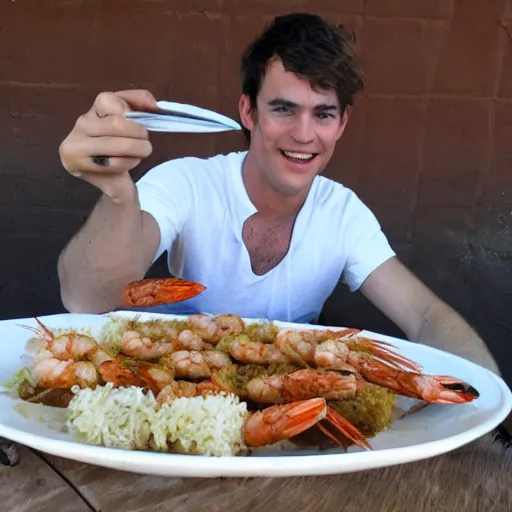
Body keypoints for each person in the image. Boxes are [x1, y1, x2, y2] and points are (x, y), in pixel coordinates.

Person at [56, 13, 500, 374]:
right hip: (179, 394)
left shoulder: (343, 214)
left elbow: (425, 317)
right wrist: (117, 194)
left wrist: (488, 409)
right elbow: (87, 299)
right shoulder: (187, 183)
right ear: (248, 111)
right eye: (284, 109)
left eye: (323, 114)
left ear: (342, 124)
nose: (304, 134)